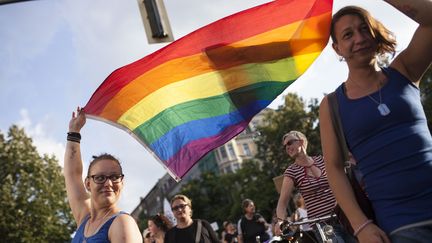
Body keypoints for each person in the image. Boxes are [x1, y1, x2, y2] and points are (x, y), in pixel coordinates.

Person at [319, 0, 432, 242]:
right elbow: (334, 168)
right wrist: (361, 226)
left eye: (363, 29)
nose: (359, 38)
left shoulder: (404, 71)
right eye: (348, 35)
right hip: (402, 226)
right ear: (337, 48)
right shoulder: (331, 105)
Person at [65, 107, 142, 242]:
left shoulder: (122, 223)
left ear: (122, 182)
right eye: (100, 178)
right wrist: (74, 132)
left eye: (114, 177)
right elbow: (72, 174)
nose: (108, 183)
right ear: (88, 184)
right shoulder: (84, 218)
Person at [274, 131, 354, 243]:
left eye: (290, 143)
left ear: (301, 142)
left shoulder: (322, 160)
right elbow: (282, 202)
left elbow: (342, 181)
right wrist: (280, 221)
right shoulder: (291, 171)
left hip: (344, 216)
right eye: (285, 146)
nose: (287, 147)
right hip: (322, 224)